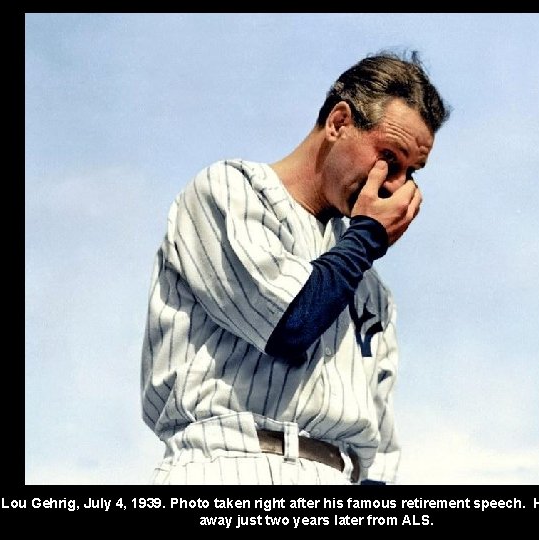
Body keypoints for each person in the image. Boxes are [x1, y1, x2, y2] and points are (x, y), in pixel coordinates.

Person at [140, 50, 450, 485]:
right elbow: (289, 325)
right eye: (390, 158)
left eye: (411, 172)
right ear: (339, 122)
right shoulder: (231, 190)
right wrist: (366, 238)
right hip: (230, 462)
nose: (397, 185)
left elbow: (379, 447)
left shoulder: (370, 286)